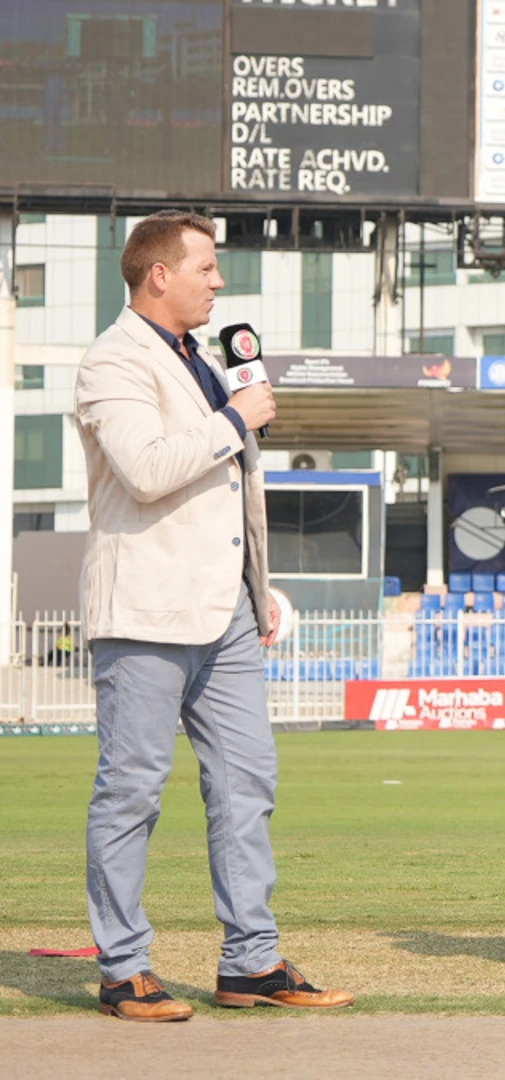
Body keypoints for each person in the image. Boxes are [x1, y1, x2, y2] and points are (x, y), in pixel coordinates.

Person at [74, 210, 352, 1021]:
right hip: (146, 607)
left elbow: (232, 489)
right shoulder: (111, 361)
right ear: (159, 273)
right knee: (132, 791)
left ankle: (251, 963)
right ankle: (123, 969)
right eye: (206, 267)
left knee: (247, 783)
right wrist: (236, 419)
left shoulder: (203, 358)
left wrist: (252, 579)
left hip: (223, 606)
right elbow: (147, 469)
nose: (219, 281)